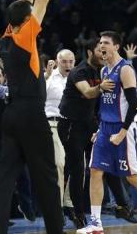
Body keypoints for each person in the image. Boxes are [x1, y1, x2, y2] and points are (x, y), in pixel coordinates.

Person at [0, 0, 63, 233]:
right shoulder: (25, 36)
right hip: (31, 113)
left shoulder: (7, 37)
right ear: (26, 19)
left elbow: (23, 2)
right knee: (47, 176)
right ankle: (55, 229)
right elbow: (40, 1)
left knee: (4, 177)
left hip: (11, 115)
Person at [77, 31, 137, 233]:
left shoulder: (125, 70)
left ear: (116, 46)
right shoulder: (103, 71)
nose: (101, 46)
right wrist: (100, 129)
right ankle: (96, 223)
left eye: (106, 42)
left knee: (132, 176)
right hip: (106, 128)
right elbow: (103, 105)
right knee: (95, 171)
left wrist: (122, 133)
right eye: (99, 43)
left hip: (125, 128)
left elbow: (134, 105)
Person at [44, 49, 75, 214]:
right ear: (57, 61)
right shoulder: (49, 78)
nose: (68, 65)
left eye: (71, 62)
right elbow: (37, 93)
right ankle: (57, 208)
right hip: (52, 124)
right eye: (64, 61)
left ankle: (69, 203)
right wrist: (46, 77)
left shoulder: (77, 79)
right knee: (59, 163)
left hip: (72, 126)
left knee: (78, 164)